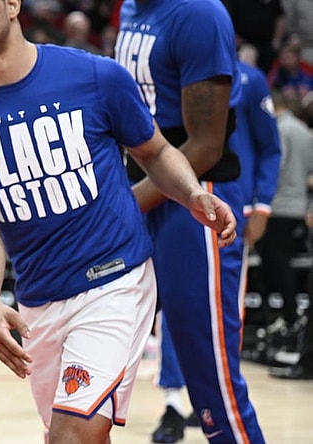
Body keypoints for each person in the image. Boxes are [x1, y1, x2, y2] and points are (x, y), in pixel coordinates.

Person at [0, 0, 237, 442]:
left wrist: (192, 192)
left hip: (114, 280)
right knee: (66, 434)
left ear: (12, 4)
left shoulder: (96, 76)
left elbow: (155, 152)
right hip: (39, 299)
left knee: (72, 436)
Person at [115, 1, 266, 442]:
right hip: (146, 193)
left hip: (199, 197)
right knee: (162, 352)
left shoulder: (199, 13)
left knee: (210, 371)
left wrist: (119, 208)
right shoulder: (131, 10)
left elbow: (206, 145)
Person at [149, 59, 282, 443]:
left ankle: (218, 400)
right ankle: (175, 401)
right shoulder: (166, 73)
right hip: (176, 197)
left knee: (221, 318)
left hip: (227, 201)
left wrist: (261, 206)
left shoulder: (250, 78)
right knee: (174, 311)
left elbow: (269, 148)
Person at [261, 89, 313, 379]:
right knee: (289, 266)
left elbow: (275, 167)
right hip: (301, 206)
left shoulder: (279, 129)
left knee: (276, 266)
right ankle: (292, 317)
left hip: (279, 205)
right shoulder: (306, 132)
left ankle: (287, 317)